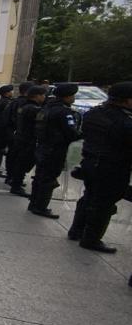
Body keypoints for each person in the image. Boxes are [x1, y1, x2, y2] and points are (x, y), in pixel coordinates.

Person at [67, 82, 132, 253]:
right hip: (112, 166)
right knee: (104, 204)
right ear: (126, 101)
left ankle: (76, 230)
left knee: (89, 196)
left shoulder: (95, 113)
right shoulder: (124, 121)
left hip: (90, 161)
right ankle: (91, 239)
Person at [28, 83, 82, 219]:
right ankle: (41, 207)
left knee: (39, 176)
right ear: (67, 96)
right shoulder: (63, 111)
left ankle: (33, 203)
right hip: (55, 150)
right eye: (73, 95)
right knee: (48, 179)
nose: (74, 98)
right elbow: (72, 133)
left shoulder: (46, 108)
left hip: (42, 147)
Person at [9, 85, 47, 197]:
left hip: (21, 138)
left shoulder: (24, 106)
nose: (44, 97)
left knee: (19, 162)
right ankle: (16, 185)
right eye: (43, 95)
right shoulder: (33, 109)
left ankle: (15, 182)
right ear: (37, 96)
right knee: (23, 163)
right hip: (27, 139)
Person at [4, 82, 34, 184]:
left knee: (12, 155)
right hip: (19, 134)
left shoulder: (14, 102)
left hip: (13, 133)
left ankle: (10, 176)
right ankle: (15, 178)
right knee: (18, 158)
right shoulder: (24, 104)